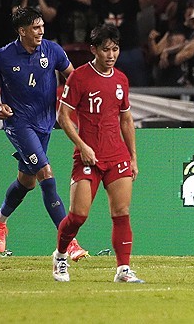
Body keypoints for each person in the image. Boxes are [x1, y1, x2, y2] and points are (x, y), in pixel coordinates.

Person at [0, 7, 88, 260]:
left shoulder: (53, 50)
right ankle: (69, 242)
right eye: (35, 28)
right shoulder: (2, 56)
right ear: (22, 31)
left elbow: (73, 78)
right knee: (46, 174)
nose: (41, 31)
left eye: (42, 26)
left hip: (45, 124)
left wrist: (85, 98)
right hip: (18, 124)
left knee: (27, 181)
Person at [53, 23, 143, 283]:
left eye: (115, 49)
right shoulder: (79, 77)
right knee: (78, 215)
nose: (111, 55)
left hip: (116, 155)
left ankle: (123, 270)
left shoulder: (121, 79)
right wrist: (82, 145)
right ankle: (60, 256)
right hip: (88, 157)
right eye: (106, 50)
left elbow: (126, 119)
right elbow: (63, 116)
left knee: (121, 212)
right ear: (94, 50)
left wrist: (132, 156)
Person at [62, 0, 160, 87]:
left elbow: (148, 0)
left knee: (139, 85)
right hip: (108, 53)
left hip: (130, 50)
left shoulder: (131, 0)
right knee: (104, 86)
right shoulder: (100, 1)